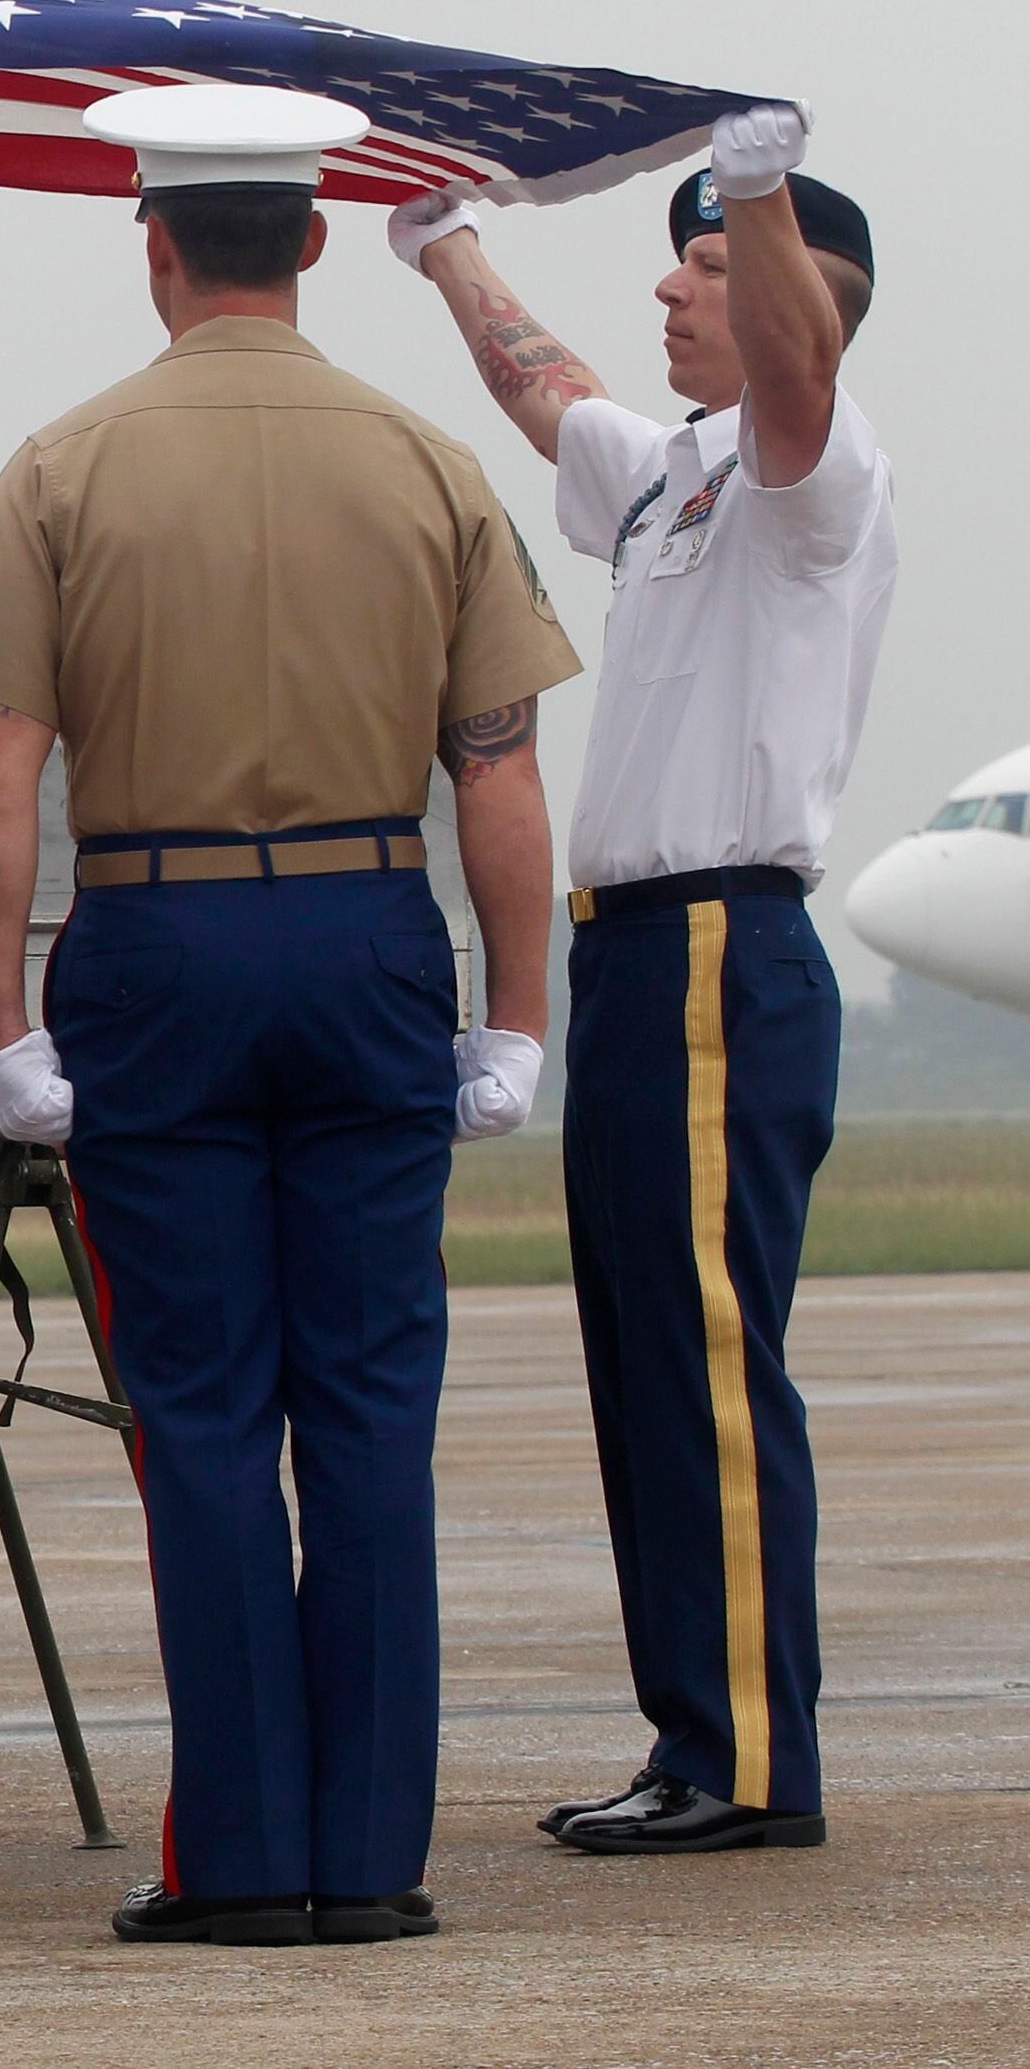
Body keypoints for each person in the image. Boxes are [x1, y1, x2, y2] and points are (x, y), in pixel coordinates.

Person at [0, 85, 580, 1948]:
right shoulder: (433, 462)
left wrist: (2, 1023)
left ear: (159, 245)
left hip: (158, 943)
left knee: (199, 1414)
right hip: (370, 937)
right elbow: (502, 775)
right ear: (307, 239)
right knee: (368, 1405)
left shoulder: (62, 465)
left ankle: (241, 1853)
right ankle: (370, 1855)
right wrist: (517, 1015)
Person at [391, 106, 891, 1856]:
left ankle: (751, 1753)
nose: (674, 291)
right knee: (646, 1362)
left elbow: (799, 365)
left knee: (708, 1357)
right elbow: (551, 393)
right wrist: (446, 244)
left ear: (785, 300)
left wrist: (750, 186)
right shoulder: (682, 473)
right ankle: (700, 1727)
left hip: (716, 951)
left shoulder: (813, 467)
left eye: (707, 264)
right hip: (634, 961)